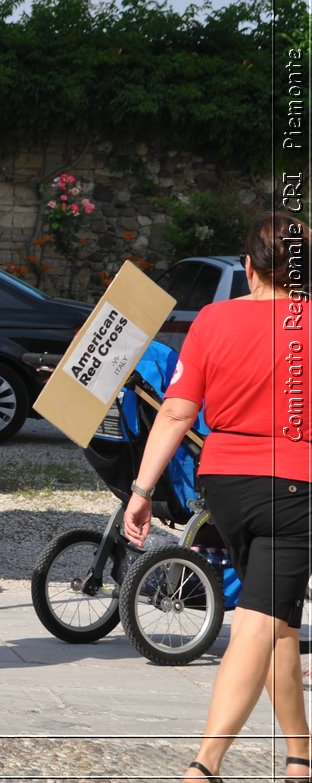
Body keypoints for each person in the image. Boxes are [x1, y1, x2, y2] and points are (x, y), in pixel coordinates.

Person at [123, 212, 311, 783]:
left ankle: (301, 758)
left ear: (248, 267)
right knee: (257, 623)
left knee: (277, 623)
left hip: (225, 485)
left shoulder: (212, 319)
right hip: (293, 488)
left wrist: (142, 488)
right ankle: (205, 765)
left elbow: (178, 410)